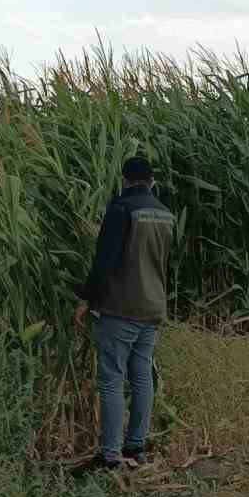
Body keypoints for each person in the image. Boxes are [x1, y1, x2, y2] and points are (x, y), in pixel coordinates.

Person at [72, 155, 175, 473]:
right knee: (143, 376)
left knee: (112, 379)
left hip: (122, 307)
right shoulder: (165, 214)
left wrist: (86, 299)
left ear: (125, 180)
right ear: (151, 181)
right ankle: (137, 447)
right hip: (153, 307)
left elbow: (105, 258)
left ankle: (110, 456)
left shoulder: (122, 209)